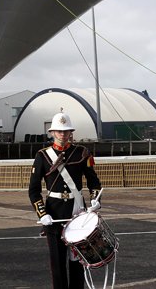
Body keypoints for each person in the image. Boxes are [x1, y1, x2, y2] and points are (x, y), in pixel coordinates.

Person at [29, 112, 102, 289]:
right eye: (59, 131)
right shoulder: (42, 156)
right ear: (52, 132)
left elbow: (94, 182)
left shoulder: (82, 153)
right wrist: (42, 213)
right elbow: (33, 190)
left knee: (78, 260)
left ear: (71, 132)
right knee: (57, 262)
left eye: (66, 131)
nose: (63, 134)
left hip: (76, 212)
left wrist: (95, 200)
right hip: (53, 213)